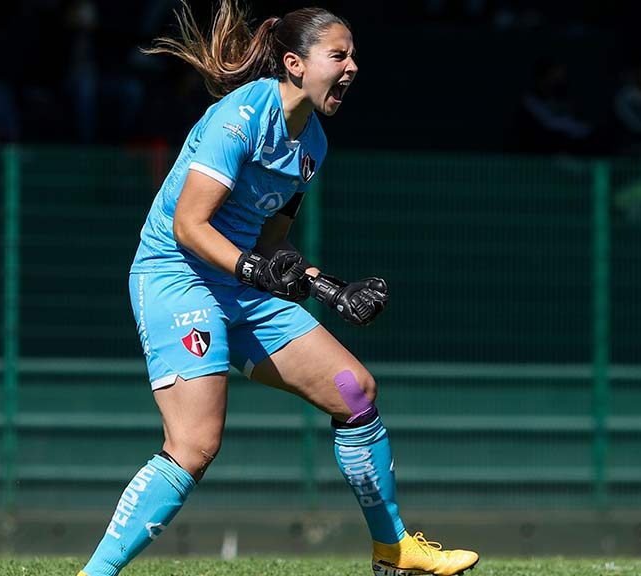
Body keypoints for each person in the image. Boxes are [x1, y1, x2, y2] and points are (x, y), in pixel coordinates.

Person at [76, 3, 479, 575]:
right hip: (178, 276)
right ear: (294, 63)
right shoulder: (238, 118)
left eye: (354, 56)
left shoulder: (311, 145)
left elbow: (271, 247)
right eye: (338, 55)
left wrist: (327, 287)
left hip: (238, 281)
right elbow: (188, 227)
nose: (353, 67)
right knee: (194, 447)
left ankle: (394, 551)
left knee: (355, 392)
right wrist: (253, 272)